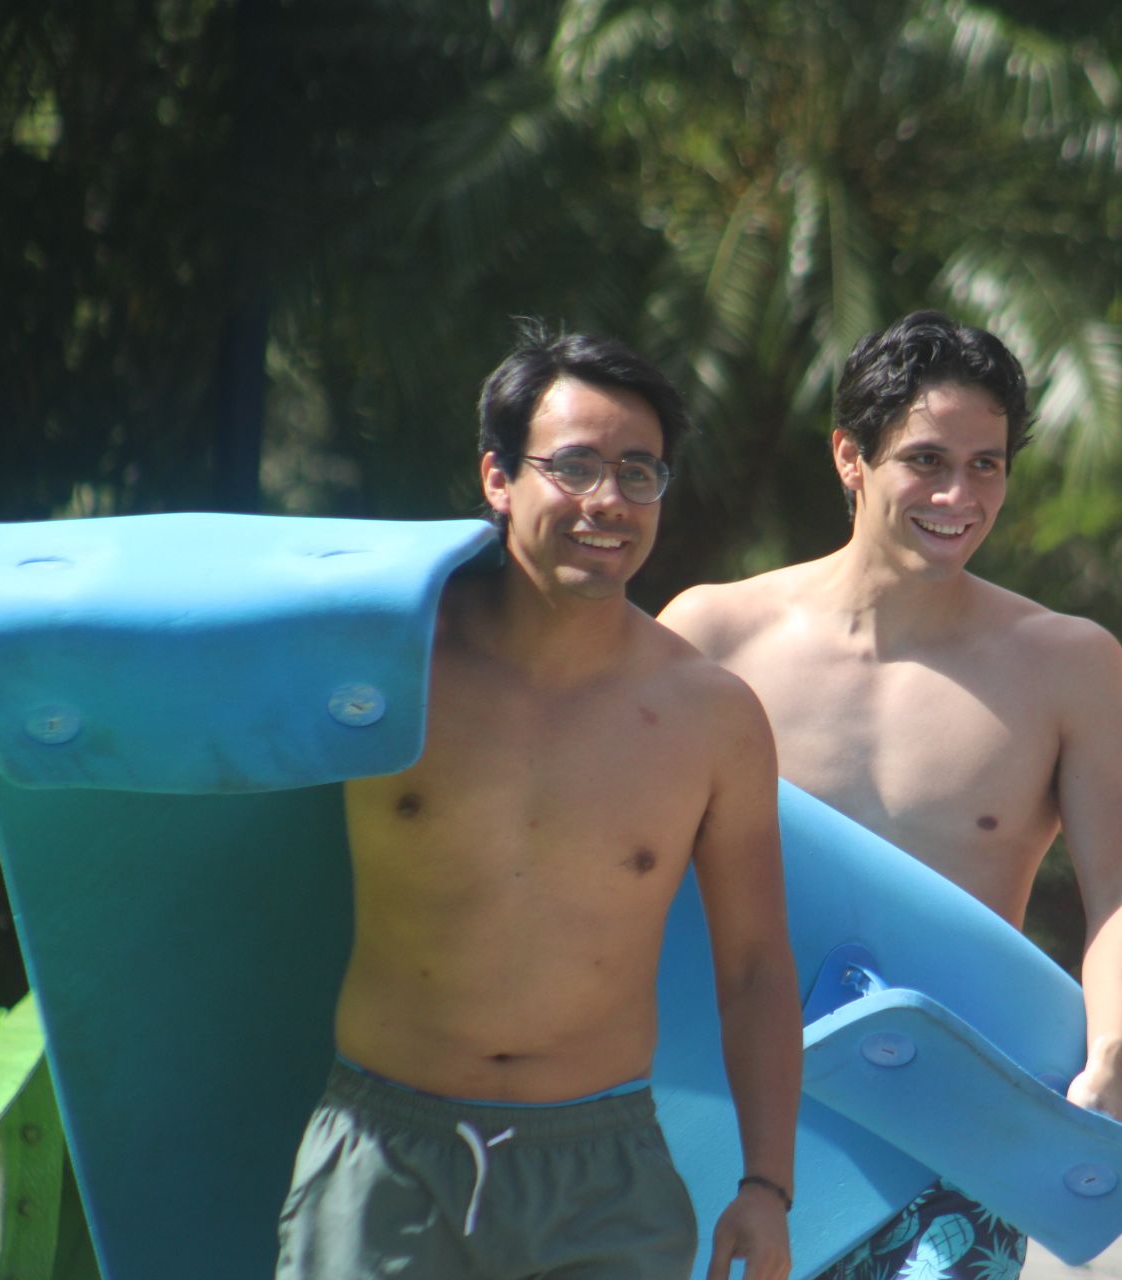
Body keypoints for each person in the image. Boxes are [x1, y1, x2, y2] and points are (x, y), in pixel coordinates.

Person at [276, 325, 802, 1280]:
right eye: (576, 466)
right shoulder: (386, 668)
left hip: (603, 1180)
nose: (609, 501)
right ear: (498, 477)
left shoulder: (711, 718)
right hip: (385, 1154)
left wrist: (766, 1186)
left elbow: (758, 969)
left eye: (639, 473)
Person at [659, 310, 1122, 1280]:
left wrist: (1106, 1058)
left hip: (949, 1135)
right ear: (850, 456)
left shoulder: (1069, 665)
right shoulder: (716, 635)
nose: (958, 495)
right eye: (926, 460)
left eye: (987, 466)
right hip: (725, 1109)